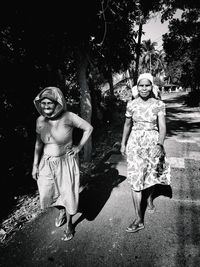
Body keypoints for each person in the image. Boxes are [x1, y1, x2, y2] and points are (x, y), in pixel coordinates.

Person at [32, 86, 93, 241]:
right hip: (46, 163)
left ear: (57, 103)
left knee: (67, 193)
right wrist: (35, 165)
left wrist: (78, 147)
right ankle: (60, 210)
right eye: (43, 103)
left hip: (66, 162)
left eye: (49, 103)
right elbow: (39, 143)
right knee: (47, 192)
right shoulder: (40, 120)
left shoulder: (68, 117)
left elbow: (88, 128)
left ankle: (70, 225)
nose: (46, 106)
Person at [120, 73, 170, 233]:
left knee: (149, 175)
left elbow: (162, 127)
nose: (144, 88)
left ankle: (149, 198)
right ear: (137, 87)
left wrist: (160, 144)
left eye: (147, 85)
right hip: (135, 144)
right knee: (135, 179)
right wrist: (123, 143)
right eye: (141, 85)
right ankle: (139, 219)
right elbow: (127, 125)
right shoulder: (131, 104)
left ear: (152, 86)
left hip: (152, 143)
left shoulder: (159, 104)